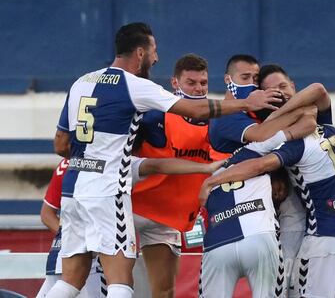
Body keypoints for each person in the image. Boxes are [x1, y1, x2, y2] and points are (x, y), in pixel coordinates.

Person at [48, 22, 277, 298]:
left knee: (71, 280)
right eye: (154, 51)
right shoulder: (134, 85)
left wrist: (93, 155)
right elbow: (194, 108)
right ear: (141, 53)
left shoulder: (80, 83)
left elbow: (61, 143)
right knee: (120, 281)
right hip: (108, 191)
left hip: (73, 189)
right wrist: (245, 103)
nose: (156, 59)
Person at [199, 123, 335, 298]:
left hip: (334, 235)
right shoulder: (298, 141)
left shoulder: (317, 137)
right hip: (334, 232)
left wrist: (210, 182)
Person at [198, 109, 316, 298]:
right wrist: (280, 117)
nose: (279, 194)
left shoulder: (212, 175)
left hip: (217, 245)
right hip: (259, 239)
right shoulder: (256, 149)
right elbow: (308, 122)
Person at [131, 53, 212, 298]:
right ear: (175, 83)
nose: (198, 89)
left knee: (164, 290)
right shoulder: (154, 116)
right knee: (117, 283)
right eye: (191, 83)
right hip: (132, 208)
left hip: (168, 217)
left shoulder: (217, 122)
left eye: (203, 83)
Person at [257, 63, 333, 297]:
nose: (280, 92)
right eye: (271, 90)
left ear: (293, 85)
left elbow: (319, 90)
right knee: (287, 275)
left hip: (328, 215)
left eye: (282, 86)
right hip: (295, 212)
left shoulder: (314, 112)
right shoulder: (266, 127)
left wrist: (276, 114)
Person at [208, 55, 329, 161]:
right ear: (227, 79)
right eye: (245, 78)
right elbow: (260, 135)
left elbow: (318, 90)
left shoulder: (258, 112)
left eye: (255, 79)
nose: (251, 83)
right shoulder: (225, 114)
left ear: (292, 85)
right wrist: (300, 112)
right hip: (233, 182)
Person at [37, 159, 105, 297]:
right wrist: (71, 238)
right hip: (82, 259)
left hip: (66, 256)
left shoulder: (68, 163)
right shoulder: (107, 161)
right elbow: (47, 214)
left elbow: (46, 214)